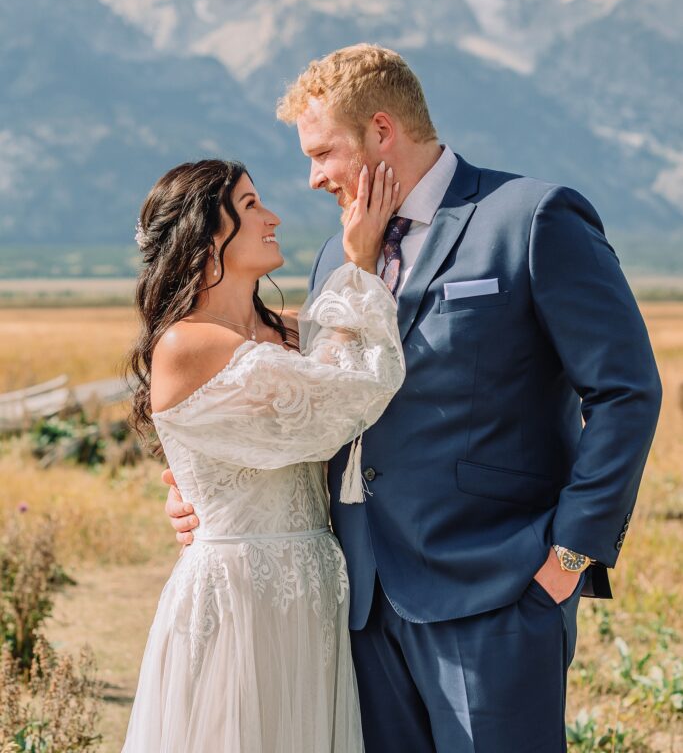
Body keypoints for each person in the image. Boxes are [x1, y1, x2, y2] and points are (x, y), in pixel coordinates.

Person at [164, 45, 662, 752]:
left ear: (379, 131)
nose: (312, 178)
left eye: (323, 153)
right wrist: (204, 490)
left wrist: (571, 559)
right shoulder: (336, 257)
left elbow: (625, 391)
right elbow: (312, 403)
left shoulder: (529, 218)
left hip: (495, 592)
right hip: (356, 602)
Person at [122, 157, 406, 753]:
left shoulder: (293, 336)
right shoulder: (185, 343)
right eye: (250, 206)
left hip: (317, 587)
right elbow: (336, 408)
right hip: (238, 593)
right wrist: (358, 265)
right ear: (203, 234)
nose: (273, 216)